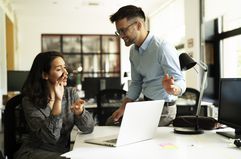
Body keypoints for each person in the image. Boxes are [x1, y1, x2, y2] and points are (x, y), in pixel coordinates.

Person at [107, 5, 186, 126]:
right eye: (119, 31)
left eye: (123, 30)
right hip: (146, 105)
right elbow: (136, 83)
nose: (121, 36)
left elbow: (180, 80)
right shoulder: (133, 51)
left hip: (164, 110)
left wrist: (173, 89)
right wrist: (123, 107)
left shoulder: (162, 48)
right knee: (111, 123)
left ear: (138, 25)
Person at [14, 51, 95, 159]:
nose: (66, 72)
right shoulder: (29, 101)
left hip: (62, 153)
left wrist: (80, 113)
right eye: (59, 69)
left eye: (64, 68)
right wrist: (58, 100)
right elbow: (51, 138)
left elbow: (89, 128)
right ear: (44, 75)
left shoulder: (70, 93)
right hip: (34, 152)